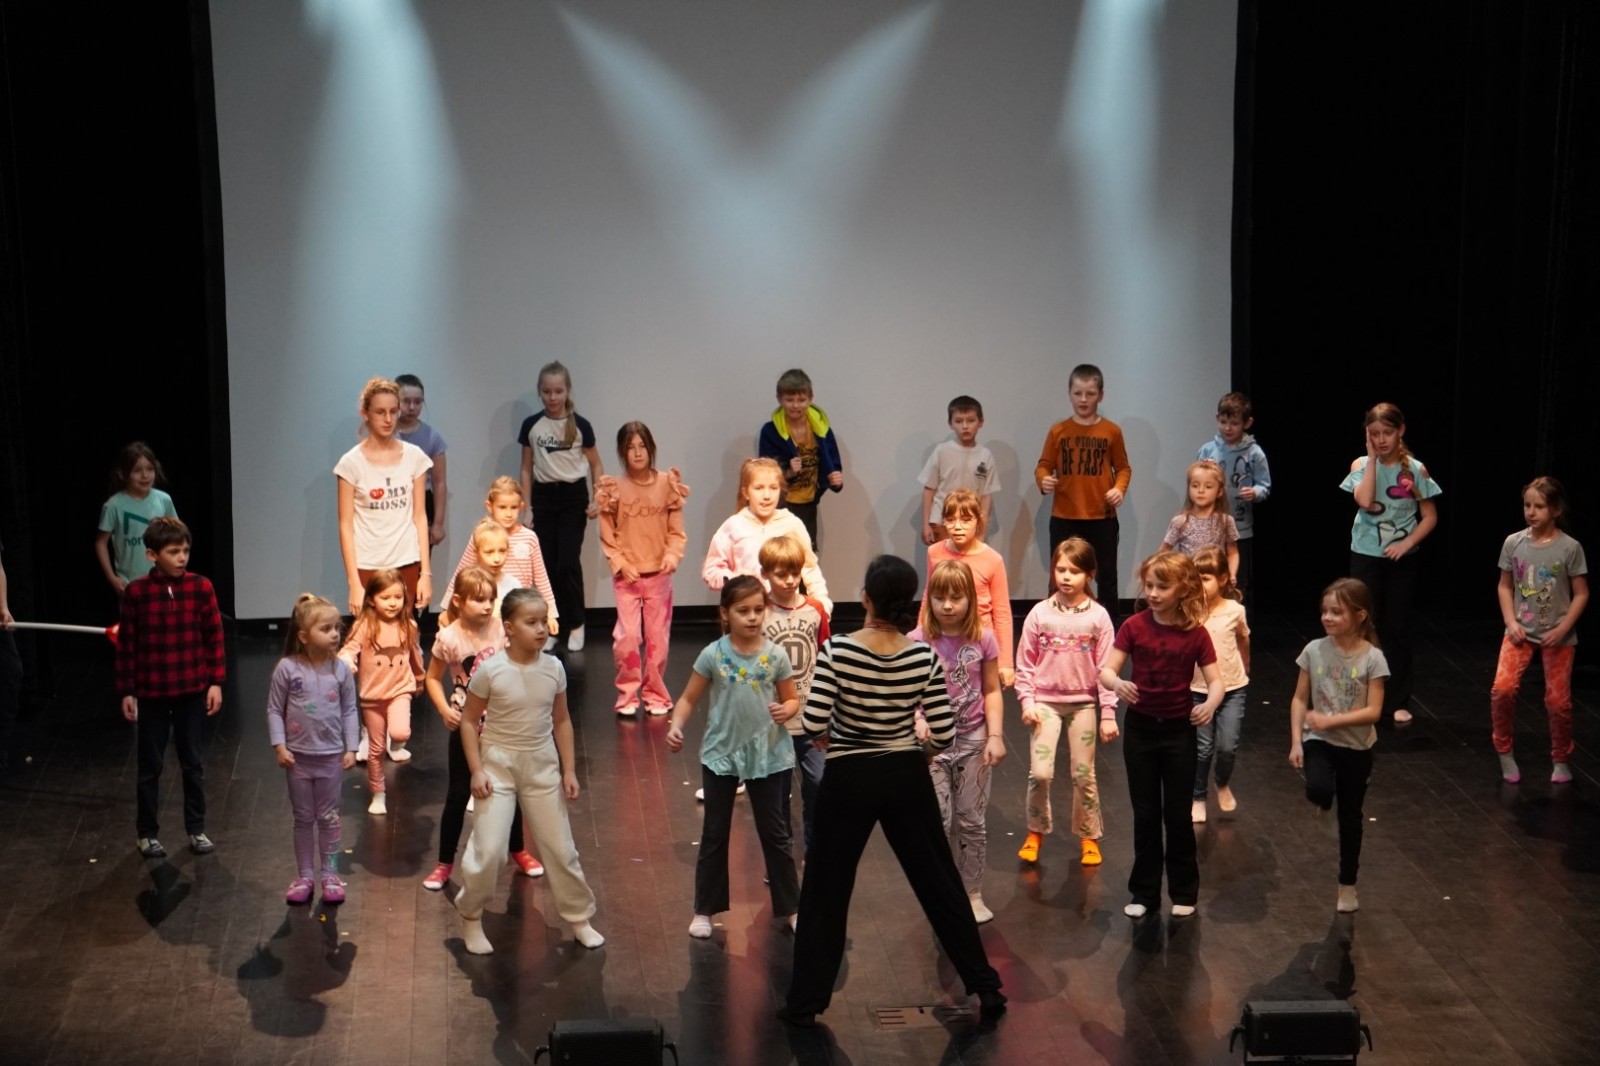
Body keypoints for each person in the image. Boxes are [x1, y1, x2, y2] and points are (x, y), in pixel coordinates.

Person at [782, 555, 1004, 1027]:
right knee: (940, 881)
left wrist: (835, 737)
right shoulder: (921, 656)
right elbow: (943, 732)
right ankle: (985, 985)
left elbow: (814, 721)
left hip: (848, 776)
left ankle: (804, 1004)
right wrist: (916, 754)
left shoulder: (838, 651)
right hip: (905, 774)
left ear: (866, 598)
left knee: (825, 889)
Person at [454, 589, 605, 954]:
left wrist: (569, 770)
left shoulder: (554, 668)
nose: (541, 629)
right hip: (498, 767)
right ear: (509, 628)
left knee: (560, 848)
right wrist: (477, 770)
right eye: (531, 622)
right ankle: (470, 916)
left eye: (543, 621)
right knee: (489, 850)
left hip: (541, 766)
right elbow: (469, 721)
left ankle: (579, 918)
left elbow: (562, 720)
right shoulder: (490, 670)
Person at [666, 576, 801, 939]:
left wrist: (787, 710)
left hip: (768, 755)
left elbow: (791, 697)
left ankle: (792, 908)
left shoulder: (775, 655)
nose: (752, 617)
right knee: (714, 833)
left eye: (758, 609)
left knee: (776, 834)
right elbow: (688, 698)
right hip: (722, 754)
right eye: (743, 610)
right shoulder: (713, 654)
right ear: (725, 613)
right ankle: (704, 910)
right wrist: (676, 725)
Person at [1099, 551, 1222, 919]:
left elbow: (1216, 681)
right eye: (1149, 585)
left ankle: (1184, 891)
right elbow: (1107, 671)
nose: (1152, 593)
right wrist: (1117, 684)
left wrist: (1210, 704)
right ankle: (1145, 892)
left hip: (1178, 733)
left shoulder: (1196, 633)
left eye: (1161, 587)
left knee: (1178, 815)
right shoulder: (1134, 626)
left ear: (1182, 589)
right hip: (1141, 732)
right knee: (1146, 814)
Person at [422, 567, 543, 891]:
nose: (488, 606)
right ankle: (444, 863)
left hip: (504, 726)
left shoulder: (503, 630)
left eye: (491, 599)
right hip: (466, 727)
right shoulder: (449, 637)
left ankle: (518, 850)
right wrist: (444, 709)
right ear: (459, 601)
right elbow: (431, 677)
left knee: (511, 789)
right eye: (479, 600)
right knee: (458, 793)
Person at [116, 517, 224, 858]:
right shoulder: (137, 593)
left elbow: (214, 637)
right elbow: (127, 645)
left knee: (193, 763)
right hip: (152, 693)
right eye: (174, 551)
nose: (182, 557)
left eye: (185, 551)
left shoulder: (201, 587)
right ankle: (147, 833)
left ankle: (196, 828)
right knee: (150, 766)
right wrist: (127, 690)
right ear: (152, 555)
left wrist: (216, 682)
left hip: (191, 689)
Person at [911, 559, 1005, 923]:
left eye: (956, 598)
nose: (947, 606)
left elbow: (992, 689)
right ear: (929, 599)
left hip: (973, 740)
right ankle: (941, 892)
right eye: (939, 598)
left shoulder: (983, 638)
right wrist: (918, 720)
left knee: (971, 821)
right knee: (938, 819)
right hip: (932, 747)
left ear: (971, 599)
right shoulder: (917, 641)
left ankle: (972, 891)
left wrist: (995, 736)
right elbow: (908, 694)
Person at [1015, 537, 1117, 868]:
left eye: (1074, 571)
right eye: (1060, 569)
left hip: (1083, 704)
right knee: (1040, 773)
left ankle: (1088, 836)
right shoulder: (1039, 613)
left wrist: (1108, 713)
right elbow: (1025, 663)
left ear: (1089, 574)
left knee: (1084, 774)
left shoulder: (1099, 617)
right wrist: (1027, 700)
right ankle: (1035, 830)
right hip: (1045, 703)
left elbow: (1107, 669)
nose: (1066, 576)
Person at [1289, 578, 1387, 914]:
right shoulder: (1314, 650)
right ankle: (1324, 804)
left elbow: (1374, 711)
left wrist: (1331, 720)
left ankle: (1347, 885)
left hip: (1357, 748)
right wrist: (1296, 741)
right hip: (1319, 740)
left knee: (1351, 819)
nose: (1327, 618)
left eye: (1336, 612)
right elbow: (1299, 699)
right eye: (1324, 611)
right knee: (1318, 787)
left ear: (1360, 616)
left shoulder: (1373, 658)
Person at [1340, 402, 1442, 724]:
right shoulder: (1361, 464)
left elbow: (1429, 516)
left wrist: (1407, 543)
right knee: (1363, 625)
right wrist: (1371, 459)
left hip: (1401, 559)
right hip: (1365, 554)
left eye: (1387, 433)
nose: (1381, 439)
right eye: (1374, 434)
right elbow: (1365, 500)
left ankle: (1397, 698)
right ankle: (1362, 697)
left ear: (1401, 431)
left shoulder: (1415, 470)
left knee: (1397, 627)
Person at [1492, 476, 1589, 784]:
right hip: (1519, 631)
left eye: (1539, 506)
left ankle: (1561, 758)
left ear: (1556, 509)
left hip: (1557, 634)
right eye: (1527, 505)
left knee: (1558, 703)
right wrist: (1510, 622)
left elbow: (1581, 593)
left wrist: (1563, 628)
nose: (1531, 512)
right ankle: (1504, 751)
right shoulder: (1514, 542)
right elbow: (1505, 586)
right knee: (1502, 689)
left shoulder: (1570, 548)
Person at [267, 594, 359, 904]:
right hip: (299, 760)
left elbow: (349, 709)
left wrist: (351, 747)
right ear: (304, 636)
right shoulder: (287, 668)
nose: (335, 634)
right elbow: (274, 709)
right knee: (303, 818)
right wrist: (279, 745)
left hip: (330, 758)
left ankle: (330, 875)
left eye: (337, 628)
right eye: (326, 629)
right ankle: (305, 876)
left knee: (329, 817)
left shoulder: (341, 669)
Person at [595, 421, 689, 717]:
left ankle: (656, 693)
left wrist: (672, 556)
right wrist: (621, 563)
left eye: (642, 446)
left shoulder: (667, 484)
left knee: (658, 640)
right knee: (627, 638)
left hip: (659, 576)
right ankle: (627, 695)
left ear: (651, 449)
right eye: (630, 447)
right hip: (628, 578)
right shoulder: (613, 488)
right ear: (622, 452)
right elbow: (607, 534)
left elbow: (676, 531)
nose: (637, 453)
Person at [517, 361, 603, 652]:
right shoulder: (532, 425)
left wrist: (598, 498)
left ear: (567, 391)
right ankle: (552, 624)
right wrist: (527, 507)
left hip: (572, 497)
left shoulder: (580, 426)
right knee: (547, 565)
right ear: (539, 392)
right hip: (544, 497)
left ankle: (576, 623)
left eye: (558, 391)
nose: (552, 397)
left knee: (567, 563)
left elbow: (596, 464)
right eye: (547, 392)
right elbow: (526, 468)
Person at [1035, 364, 1131, 624]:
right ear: (1070, 394)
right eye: (1078, 393)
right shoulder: (1058, 431)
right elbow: (1043, 465)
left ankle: (1110, 631)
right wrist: (1044, 480)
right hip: (1065, 515)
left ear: (1101, 395)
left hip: (1102, 517)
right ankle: (1053, 625)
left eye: (1090, 394)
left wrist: (1119, 489)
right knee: (1059, 575)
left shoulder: (1111, 431)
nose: (1084, 399)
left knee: (1106, 577)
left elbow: (1123, 467)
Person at [336, 377, 433, 614]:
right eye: (380, 412)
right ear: (365, 413)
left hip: (407, 560)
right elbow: (346, 525)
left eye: (393, 411)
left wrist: (426, 574)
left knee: (406, 630)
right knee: (370, 632)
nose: (388, 419)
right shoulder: (351, 464)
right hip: (368, 563)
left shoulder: (415, 457)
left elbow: (420, 517)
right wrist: (353, 583)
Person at [759, 535, 830, 854]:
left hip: (810, 717)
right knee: (778, 792)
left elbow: (825, 656)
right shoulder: (760, 612)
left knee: (819, 781)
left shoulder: (814, 609)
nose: (789, 581)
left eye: (795, 572)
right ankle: (781, 854)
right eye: (781, 574)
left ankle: (814, 850)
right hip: (774, 720)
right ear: (765, 573)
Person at [338, 569, 424, 812]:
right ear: (371, 600)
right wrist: (346, 661)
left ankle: (396, 744)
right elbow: (348, 649)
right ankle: (378, 794)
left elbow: (415, 654)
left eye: (398, 597)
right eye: (385, 598)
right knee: (375, 750)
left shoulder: (408, 625)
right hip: (372, 696)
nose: (393, 603)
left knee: (399, 732)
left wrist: (419, 678)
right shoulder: (365, 625)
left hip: (400, 689)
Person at [702, 457, 831, 615]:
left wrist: (822, 604)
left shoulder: (791, 524)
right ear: (746, 492)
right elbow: (711, 570)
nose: (767, 495)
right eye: (759, 488)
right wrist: (737, 580)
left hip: (784, 616)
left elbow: (809, 567)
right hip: (746, 615)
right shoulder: (733, 526)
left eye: (773, 488)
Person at [439, 476, 558, 631]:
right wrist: (446, 608)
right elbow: (462, 572)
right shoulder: (481, 535)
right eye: (502, 507)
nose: (508, 514)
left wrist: (551, 614)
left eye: (513, 507)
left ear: (521, 506)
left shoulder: (529, 538)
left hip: (518, 608)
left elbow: (541, 578)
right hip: (487, 608)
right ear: (490, 506)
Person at [923, 490, 1014, 687]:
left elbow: (1002, 612)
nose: (957, 527)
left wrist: (1005, 662)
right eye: (950, 519)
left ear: (978, 521)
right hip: (944, 637)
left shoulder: (992, 560)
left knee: (981, 694)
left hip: (979, 639)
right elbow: (929, 596)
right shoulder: (935, 552)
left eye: (965, 520)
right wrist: (920, 637)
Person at [1188, 546, 1250, 823]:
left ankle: (1221, 782)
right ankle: (1198, 796)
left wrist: (1246, 664)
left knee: (1227, 746)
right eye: (1196, 578)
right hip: (1198, 690)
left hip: (1232, 688)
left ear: (1223, 579)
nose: (1200, 584)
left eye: (1206, 578)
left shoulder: (1235, 611)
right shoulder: (1189, 611)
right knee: (1202, 748)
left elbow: (1243, 638)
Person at [757, 368, 843, 550]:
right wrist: (788, 472)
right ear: (779, 399)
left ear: (810, 398)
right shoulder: (770, 432)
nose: (795, 405)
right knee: (779, 555)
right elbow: (764, 472)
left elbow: (833, 464)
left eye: (801, 400)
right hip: (780, 505)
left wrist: (835, 479)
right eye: (789, 400)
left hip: (808, 503)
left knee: (806, 555)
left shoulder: (822, 429)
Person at [1197, 392, 1271, 601]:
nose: (1228, 428)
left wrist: (1255, 492)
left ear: (1247, 423)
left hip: (1240, 527)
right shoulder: (1207, 450)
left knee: (1236, 580)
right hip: (1210, 525)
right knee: (1208, 575)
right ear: (1217, 419)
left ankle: (1237, 615)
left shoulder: (1255, 453)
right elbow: (1195, 481)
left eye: (1234, 423)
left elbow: (1264, 485)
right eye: (1223, 422)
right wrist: (1204, 472)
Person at [95, 442, 178, 595]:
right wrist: (111, 577)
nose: (145, 475)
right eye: (137, 470)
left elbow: (177, 535)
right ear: (122, 474)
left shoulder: (163, 500)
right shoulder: (113, 506)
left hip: (162, 579)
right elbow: (101, 542)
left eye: (150, 469)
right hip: (129, 584)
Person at [920, 395, 1000, 544]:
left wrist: (982, 531)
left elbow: (986, 496)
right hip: (941, 521)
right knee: (942, 559)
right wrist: (926, 524)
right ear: (950, 424)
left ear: (981, 422)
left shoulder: (985, 455)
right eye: (958, 421)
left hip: (970, 523)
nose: (965, 426)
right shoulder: (942, 451)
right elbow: (929, 489)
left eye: (971, 420)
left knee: (967, 560)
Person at [1160, 460, 1240, 581]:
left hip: (1215, 580)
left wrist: (1231, 574)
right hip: (1187, 580)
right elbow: (1163, 552)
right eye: (1195, 486)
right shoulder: (1180, 521)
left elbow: (1233, 553)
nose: (1201, 491)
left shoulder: (1225, 521)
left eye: (1208, 487)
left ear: (1219, 491)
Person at [395, 373, 448, 549]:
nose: (412, 407)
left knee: (420, 558)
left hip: (422, 502)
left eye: (417, 402)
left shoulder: (432, 438)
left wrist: (438, 523)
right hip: (392, 501)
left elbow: (439, 482)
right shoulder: (386, 435)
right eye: (406, 401)